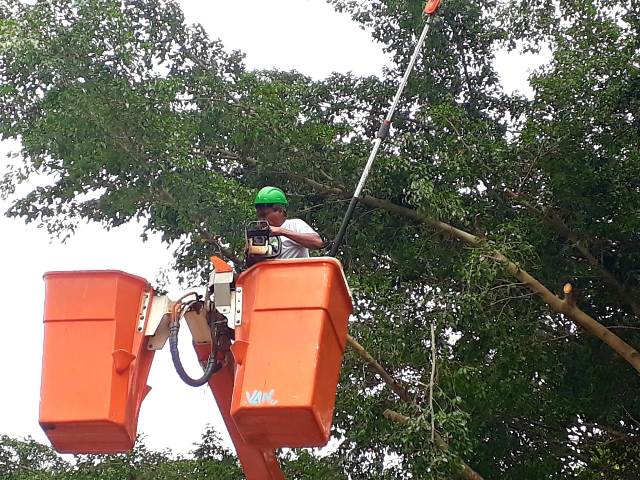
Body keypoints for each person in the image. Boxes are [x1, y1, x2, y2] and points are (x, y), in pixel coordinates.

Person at [253, 186, 323, 259]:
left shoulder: (294, 224)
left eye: (264, 215)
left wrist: (281, 231)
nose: (261, 220)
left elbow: (317, 243)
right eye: (259, 216)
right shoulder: (259, 235)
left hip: (295, 270)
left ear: (280, 211)